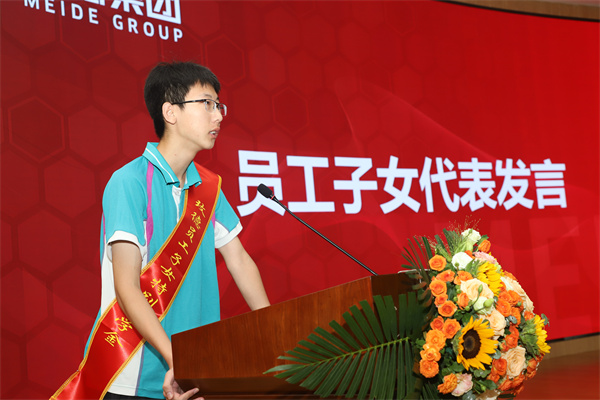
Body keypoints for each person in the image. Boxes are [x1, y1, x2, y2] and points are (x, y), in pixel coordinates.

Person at [52, 61, 270, 400]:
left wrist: (274, 334)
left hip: (193, 370)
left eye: (219, 105)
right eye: (207, 103)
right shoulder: (130, 182)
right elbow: (126, 286)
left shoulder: (209, 188)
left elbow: (239, 260)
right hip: (132, 374)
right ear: (170, 112)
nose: (218, 116)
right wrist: (175, 359)